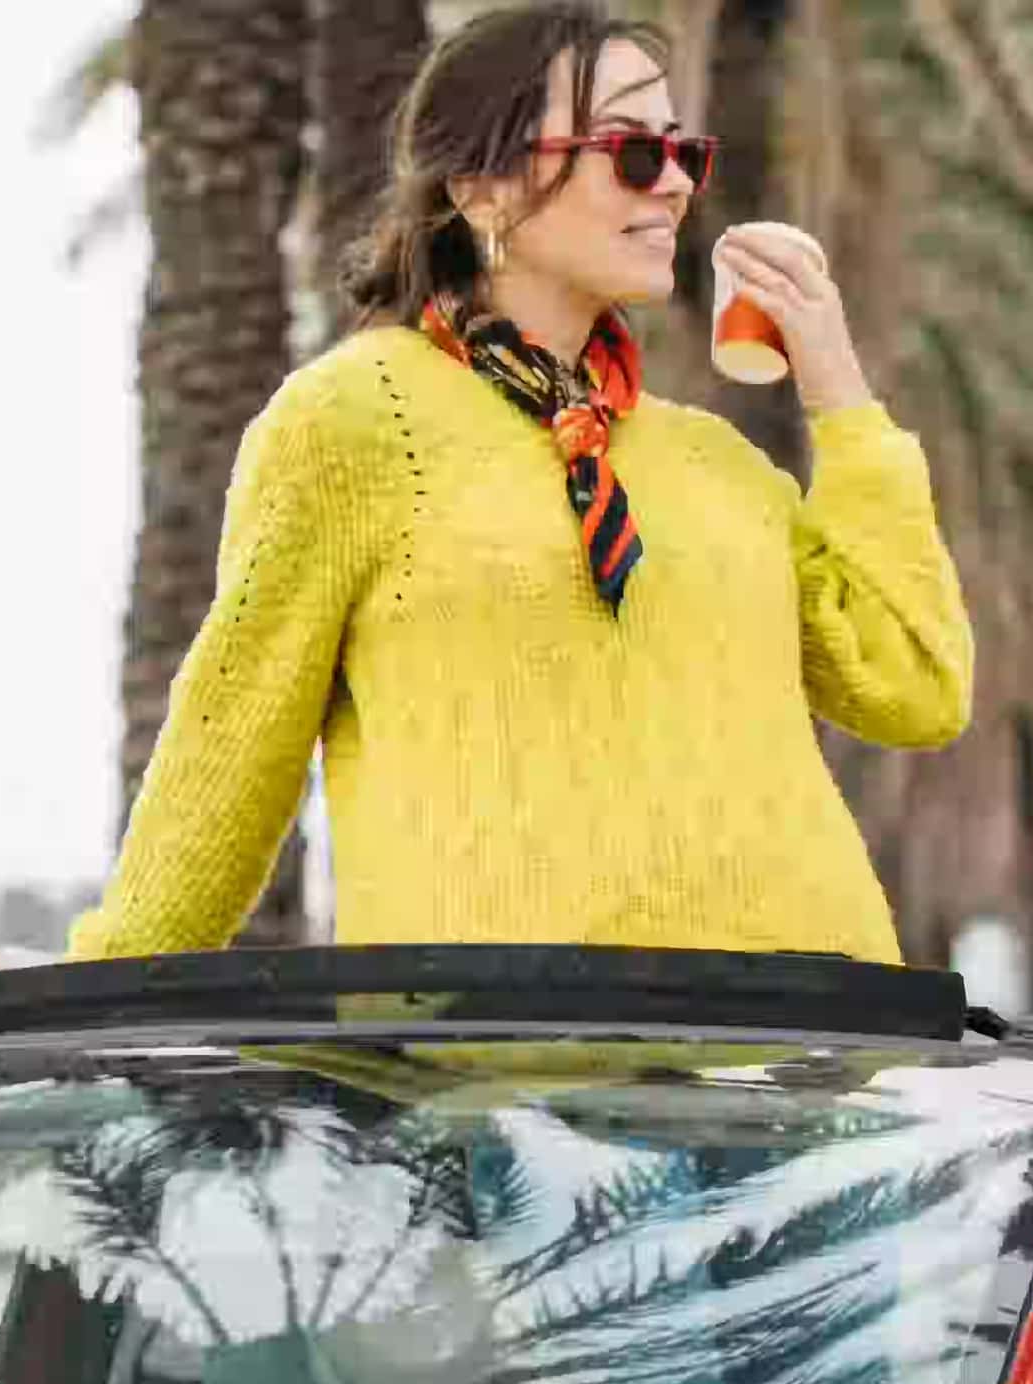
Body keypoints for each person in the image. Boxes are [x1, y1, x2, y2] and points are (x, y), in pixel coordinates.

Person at [69, 1, 973, 966]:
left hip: (798, 1060)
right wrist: (89, 996)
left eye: (684, 154)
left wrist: (840, 394)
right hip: (505, 1071)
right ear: (483, 188)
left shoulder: (720, 468)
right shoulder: (355, 423)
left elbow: (915, 686)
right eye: (631, 150)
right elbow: (231, 752)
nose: (672, 184)